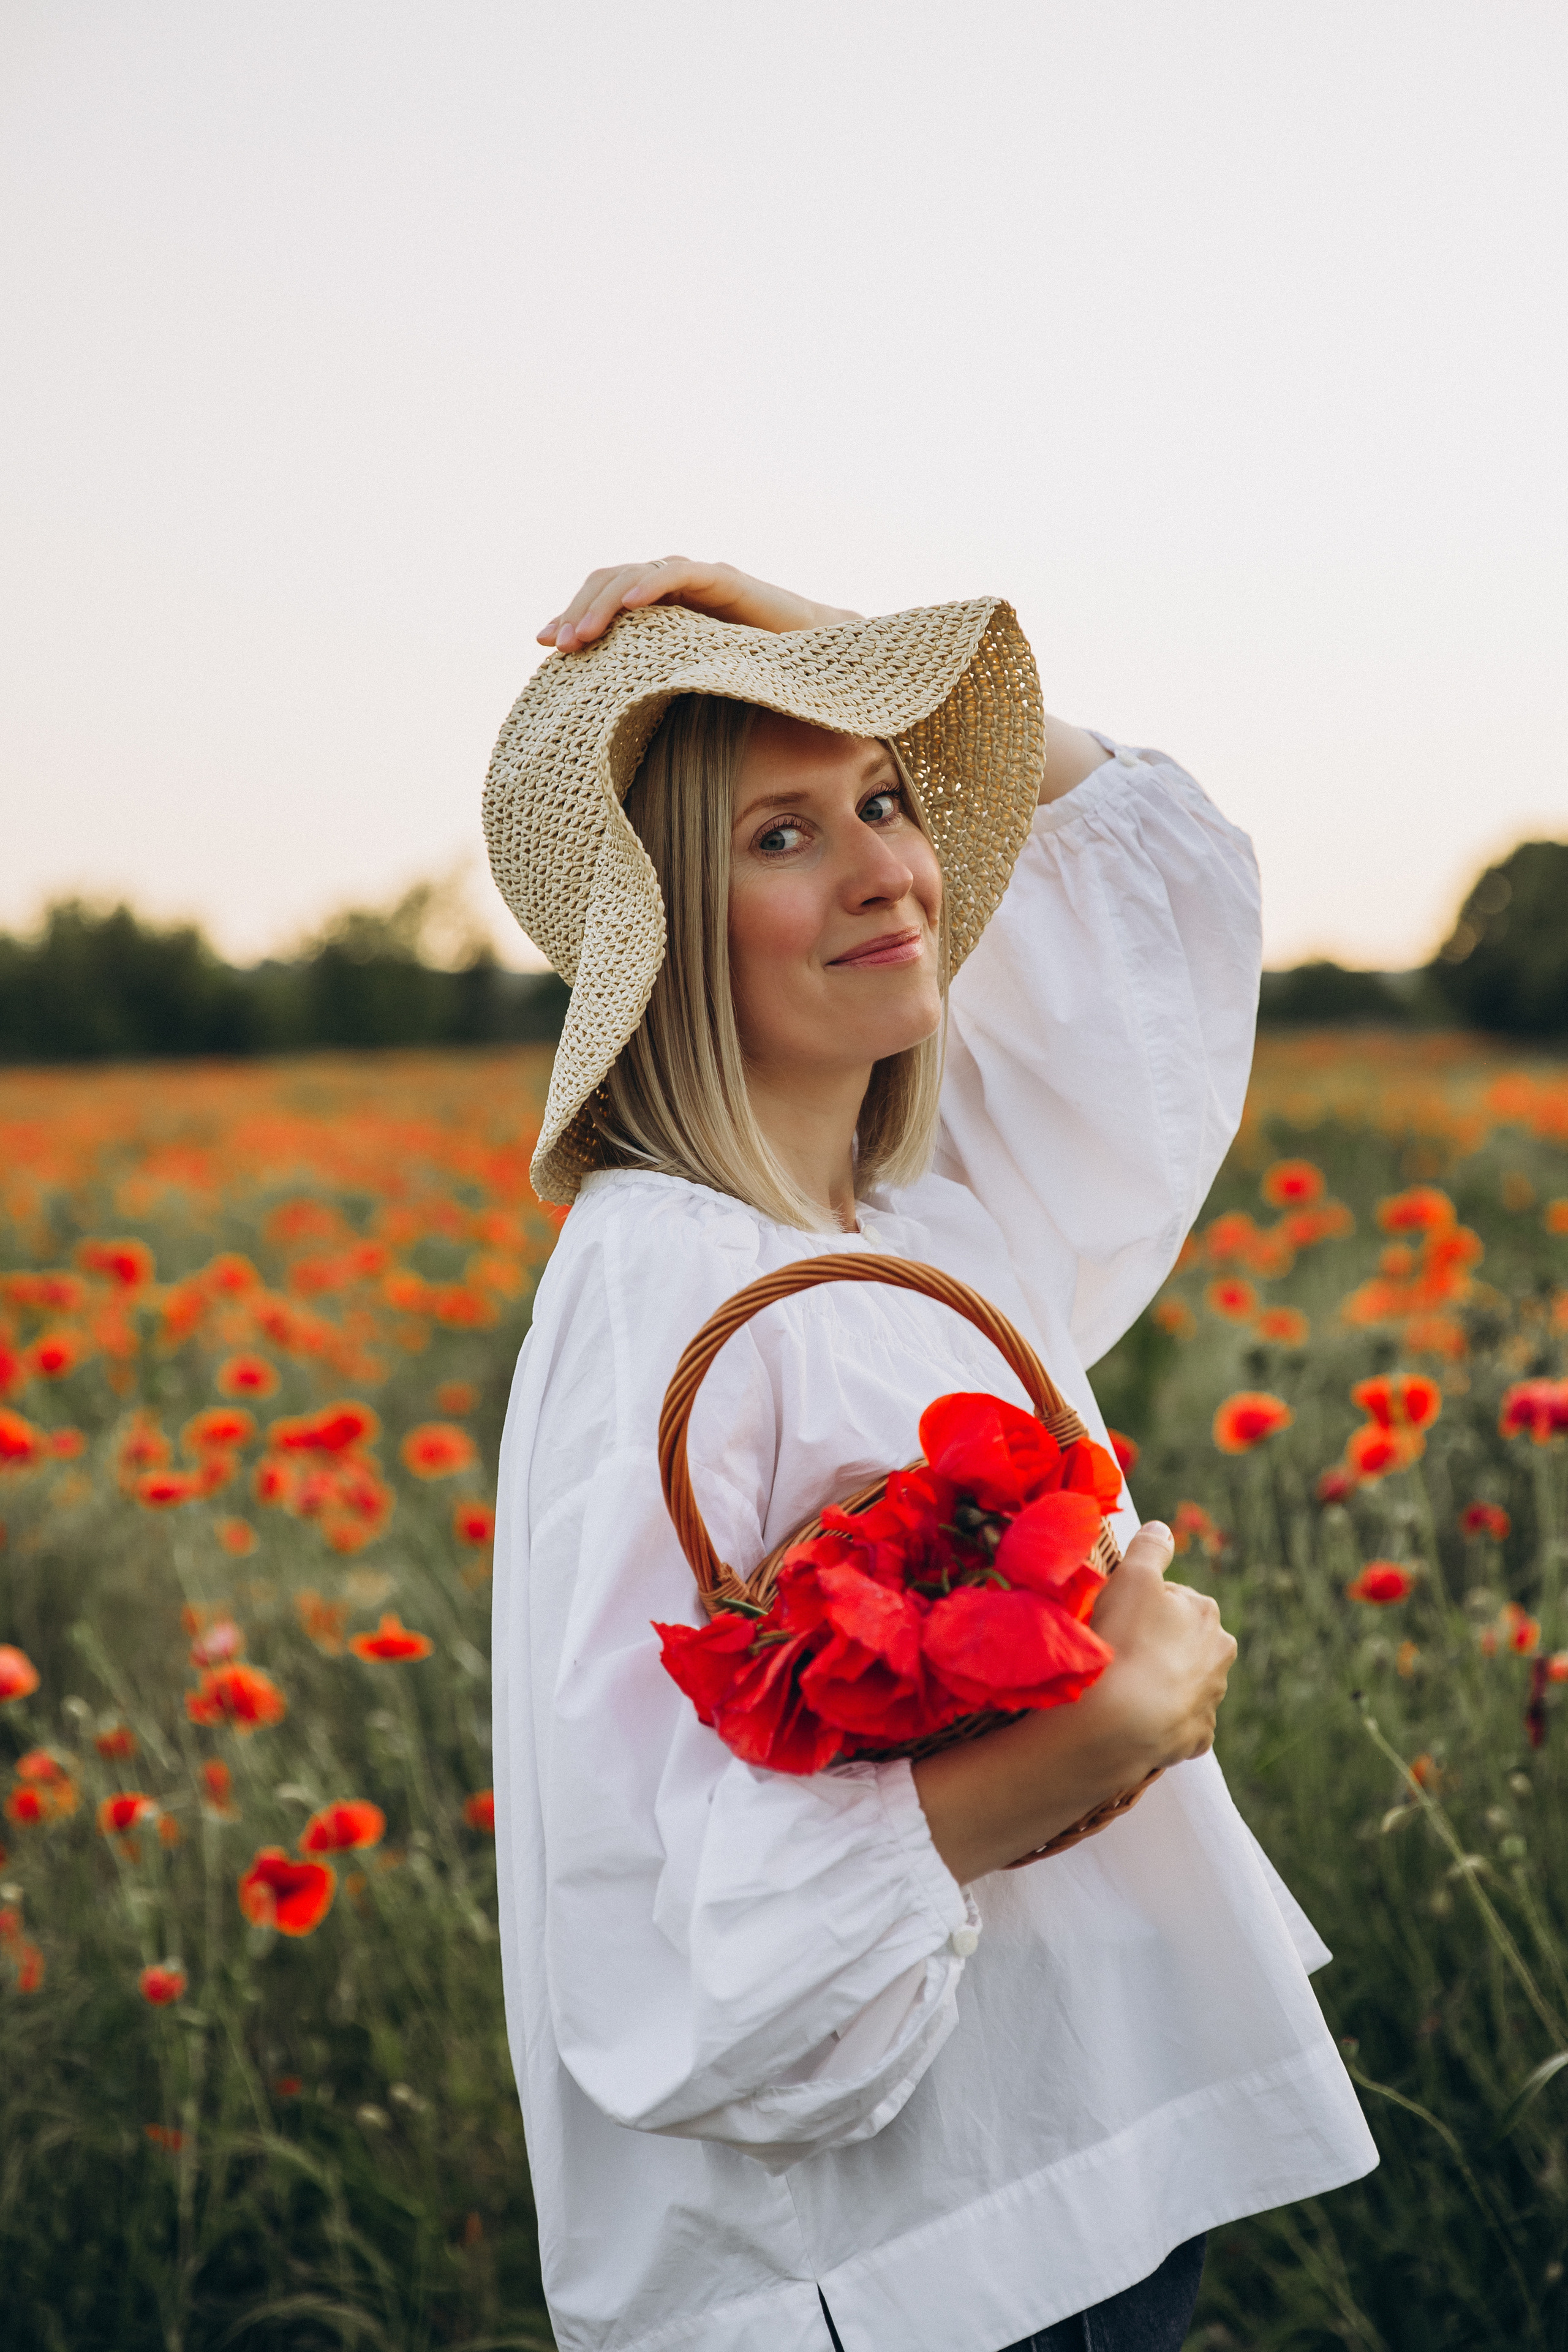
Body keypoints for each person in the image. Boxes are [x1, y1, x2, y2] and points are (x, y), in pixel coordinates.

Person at [484, 560, 1376, 2352]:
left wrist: (803, 625)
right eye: (784, 837)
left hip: (1074, 2162)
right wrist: (1107, 1729)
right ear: (662, 924)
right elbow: (653, 1930)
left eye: (889, 799)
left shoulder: (927, 1210)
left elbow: (1160, 893)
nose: (888, 865)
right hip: (897, 2262)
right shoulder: (667, 1271)